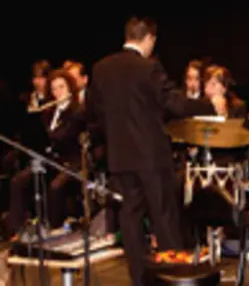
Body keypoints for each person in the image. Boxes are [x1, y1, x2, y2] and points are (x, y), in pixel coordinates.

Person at [86, 17, 226, 285]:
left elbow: (94, 113)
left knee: (130, 218)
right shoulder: (148, 67)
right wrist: (211, 106)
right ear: (149, 38)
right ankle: (173, 278)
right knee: (164, 218)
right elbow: (175, 104)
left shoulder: (101, 68)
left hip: (119, 157)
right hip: (150, 157)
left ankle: (140, 279)